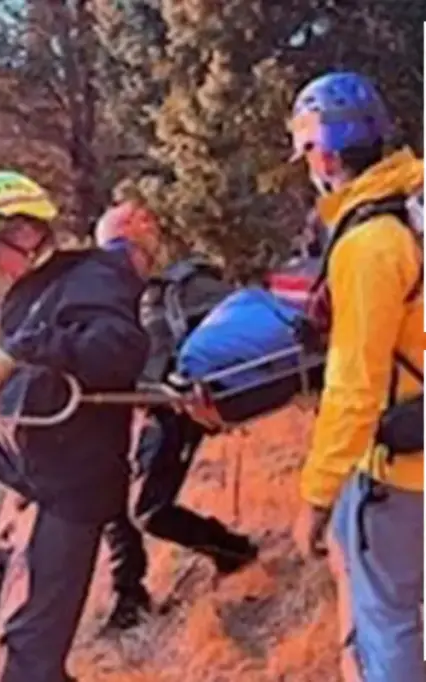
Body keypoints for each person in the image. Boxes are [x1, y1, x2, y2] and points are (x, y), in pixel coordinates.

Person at [0, 171, 150, 682]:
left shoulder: (90, 276)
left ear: (22, 232)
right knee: (12, 633)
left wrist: (23, 348)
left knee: (28, 661)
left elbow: (119, 351)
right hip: (29, 484)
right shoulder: (32, 289)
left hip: (68, 488)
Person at [286, 71, 426, 682]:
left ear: (322, 154)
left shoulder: (369, 243)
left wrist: (315, 497)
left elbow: (354, 391)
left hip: (407, 469)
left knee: (390, 617)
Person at [91, 202, 260, 632]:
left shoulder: (155, 299)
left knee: (148, 510)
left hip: (174, 409)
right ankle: (131, 594)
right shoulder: (147, 295)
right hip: (161, 407)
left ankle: (233, 551)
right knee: (126, 501)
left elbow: (162, 369)